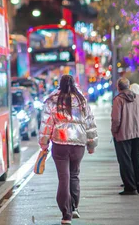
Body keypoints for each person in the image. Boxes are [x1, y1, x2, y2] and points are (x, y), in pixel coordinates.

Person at [39, 75, 98, 224]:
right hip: (78, 145)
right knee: (74, 175)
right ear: (74, 84)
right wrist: (91, 145)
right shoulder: (81, 101)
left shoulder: (52, 100)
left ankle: (66, 215)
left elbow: (47, 124)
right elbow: (90, 124)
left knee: (63, 178)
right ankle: (74, 207)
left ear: (60, 85)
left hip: (60, 144)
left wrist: (44, 143)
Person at [112, 78, 139, 195]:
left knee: (125, 160)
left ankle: (130, 187)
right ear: (129, 86)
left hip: (123, 134)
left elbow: (116, 119)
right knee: (136, 158)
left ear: (118, 87)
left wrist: (114, 131)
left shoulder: (118, 100)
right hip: (138, 133)